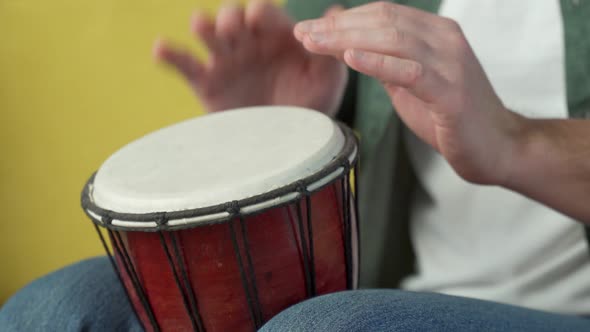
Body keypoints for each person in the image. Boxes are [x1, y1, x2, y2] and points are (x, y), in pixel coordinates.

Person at [1, 1, 590, 331]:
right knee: (53, 309)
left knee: (320, 331)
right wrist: (291, 122)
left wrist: (517, 141)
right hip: (393, 288)